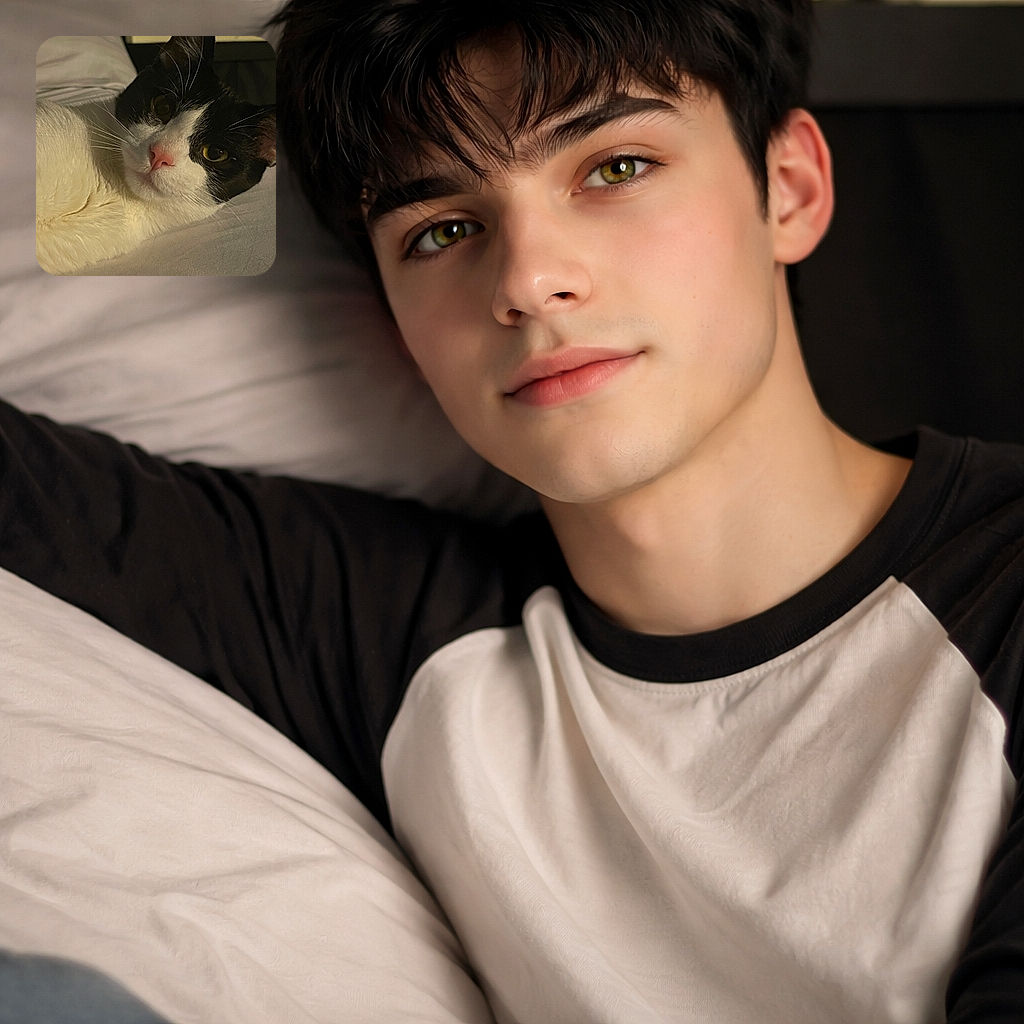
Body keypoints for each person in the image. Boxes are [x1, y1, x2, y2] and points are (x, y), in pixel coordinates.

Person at [2, 0, 1021, 1020]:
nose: (529, 281)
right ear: (395, 326)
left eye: (615, 168)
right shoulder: (395, 636)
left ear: (788, 188)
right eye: (442, 230)